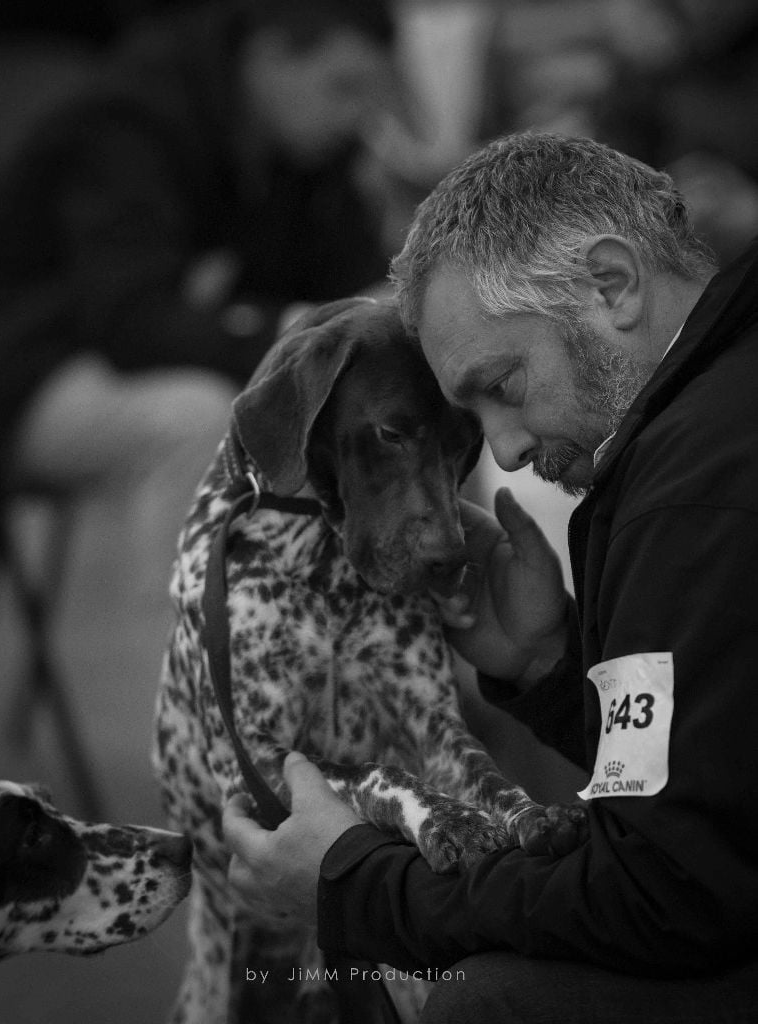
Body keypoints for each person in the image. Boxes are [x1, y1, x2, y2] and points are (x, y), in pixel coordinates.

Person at [222, 132, 758, 1021]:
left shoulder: (693, 494)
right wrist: (549, 665)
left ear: (611, 285)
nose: (502, 452)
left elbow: (664, 895)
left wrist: (355, 884)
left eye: (501, 387)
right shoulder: (713, 417)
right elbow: (714, 802)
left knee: (484, 1003)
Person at [0, 0, 395, 619]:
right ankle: (194, 673)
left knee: (389, 392)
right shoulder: (132, 122)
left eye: (370, 94)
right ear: (269, 57)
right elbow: (130, 320)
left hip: (119, 353)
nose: (358, 116)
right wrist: (300, 331)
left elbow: (351, 280)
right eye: (342, 87)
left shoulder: (304, 146)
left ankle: (385, 658)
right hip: (8, 373)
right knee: (196, 420)